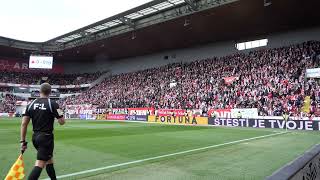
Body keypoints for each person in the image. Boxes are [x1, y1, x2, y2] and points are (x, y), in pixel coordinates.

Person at [20, 83, 65, 180]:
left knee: (49, 160)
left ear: (39, 91)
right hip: (46, 138)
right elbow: (62, 122)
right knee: (40, 163)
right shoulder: (53, 104)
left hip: (35, 137)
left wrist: (22, 141)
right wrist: (59, 112)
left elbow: (24, 124)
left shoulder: (30, 104)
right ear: (50, 92)